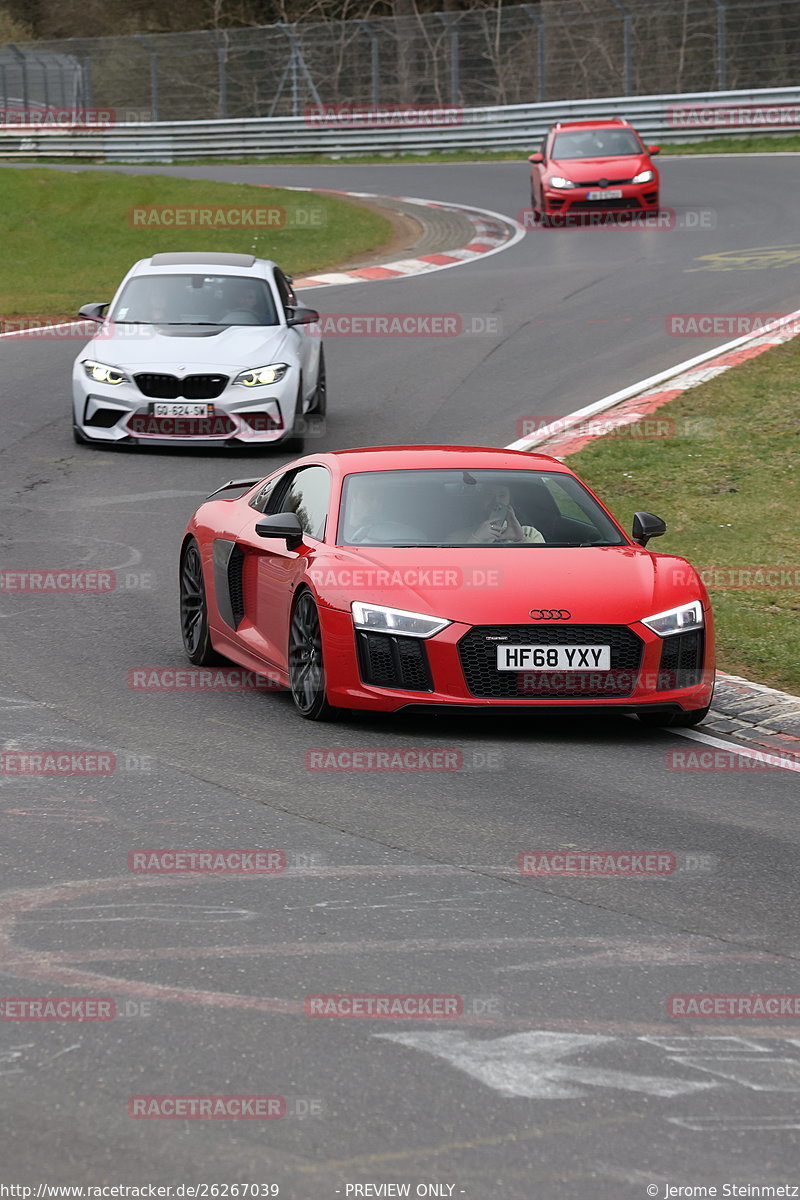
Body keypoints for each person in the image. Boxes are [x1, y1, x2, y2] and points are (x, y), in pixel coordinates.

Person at [449, 484, 545, 545]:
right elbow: (456, 570)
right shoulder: (457, 538)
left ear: (509, 500)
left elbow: (542, 568)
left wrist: (520, 540)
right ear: (478, 499)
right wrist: (477, 539)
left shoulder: (530, 534)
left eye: (502, 495)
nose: (496, 501)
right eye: (489, 494)